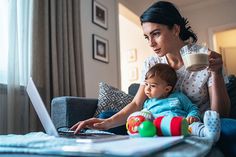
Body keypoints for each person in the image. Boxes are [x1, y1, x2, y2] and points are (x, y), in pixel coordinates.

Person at [71, 1, 235, 156]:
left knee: (231, 128)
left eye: (156, 34)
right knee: (105, 116)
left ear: (176, 29)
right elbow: (137, 104)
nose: (151, 43)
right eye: (147, 37)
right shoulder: (151, 62)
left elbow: (220, 114)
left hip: (195, 125)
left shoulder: (205, 57)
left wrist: (217, 73)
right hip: (156, 123)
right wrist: (107, 122)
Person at [142, 63, 220, 142]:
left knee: (194, 127)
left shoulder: (178, 97)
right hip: (162, 128)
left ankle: (208, 133)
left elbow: (192, 108)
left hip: (183, 126)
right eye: (146, 84)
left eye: (153, 86)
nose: (147, 89)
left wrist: (193, 116)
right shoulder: (148, 103)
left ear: (167, 89)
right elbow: (145, 116)